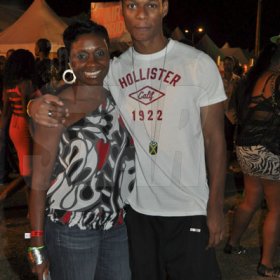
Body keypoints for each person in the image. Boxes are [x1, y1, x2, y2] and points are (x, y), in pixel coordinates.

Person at [28, 0, 227, 279]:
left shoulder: (197, 64)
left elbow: (215, 139)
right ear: (122, 10)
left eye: (151, 5)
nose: (142, 15)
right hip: (135, 212)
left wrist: (215, 205)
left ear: (165, 7)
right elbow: (76, 91)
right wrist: (33, 106)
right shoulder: (115, 69)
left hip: (187, 208)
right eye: (132, 5)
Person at [28, 20, 135, 280]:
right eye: (82, 55)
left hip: (116, 225)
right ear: (70, 61)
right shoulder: (57, 107)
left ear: (109, 54)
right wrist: (36, 246)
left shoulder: (118, 99)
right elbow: (38, 185)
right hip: (70, 229)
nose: (92, 63)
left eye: (99, 53)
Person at [224, 43, 280, 278]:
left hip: (246, 149)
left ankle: (232, 243)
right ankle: (266, 264)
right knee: (277, 208)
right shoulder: (276, 80)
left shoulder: (249, 80)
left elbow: (234, 114)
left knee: (251, 200)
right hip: (268, 150)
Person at [0, 49, 40, 203]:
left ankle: (30, 208)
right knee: (29, 173)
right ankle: (5, 197)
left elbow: (5, 113)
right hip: (25, 127)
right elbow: (26, 111)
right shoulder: (26, 83)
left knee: (27, 169)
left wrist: (3, 132)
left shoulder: (9, 85)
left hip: (14, 127)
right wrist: (33, 132)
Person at [221, 56, 240, 170]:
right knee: (218, 139)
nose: (227, 66)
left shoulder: (238, 80)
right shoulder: (218, 78)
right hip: (219, 112)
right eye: (225, 63)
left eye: (229, 64)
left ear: (233, 65)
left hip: (231, 114)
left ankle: (226, 164)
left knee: (228, 140)